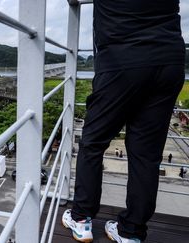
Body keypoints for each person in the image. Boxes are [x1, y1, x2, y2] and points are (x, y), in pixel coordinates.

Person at [62, 1, 185, 242]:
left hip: (122, 59)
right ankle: (131, 232)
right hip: (170, 58)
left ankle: (81, 218)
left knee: (93, 142)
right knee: (147, 154)